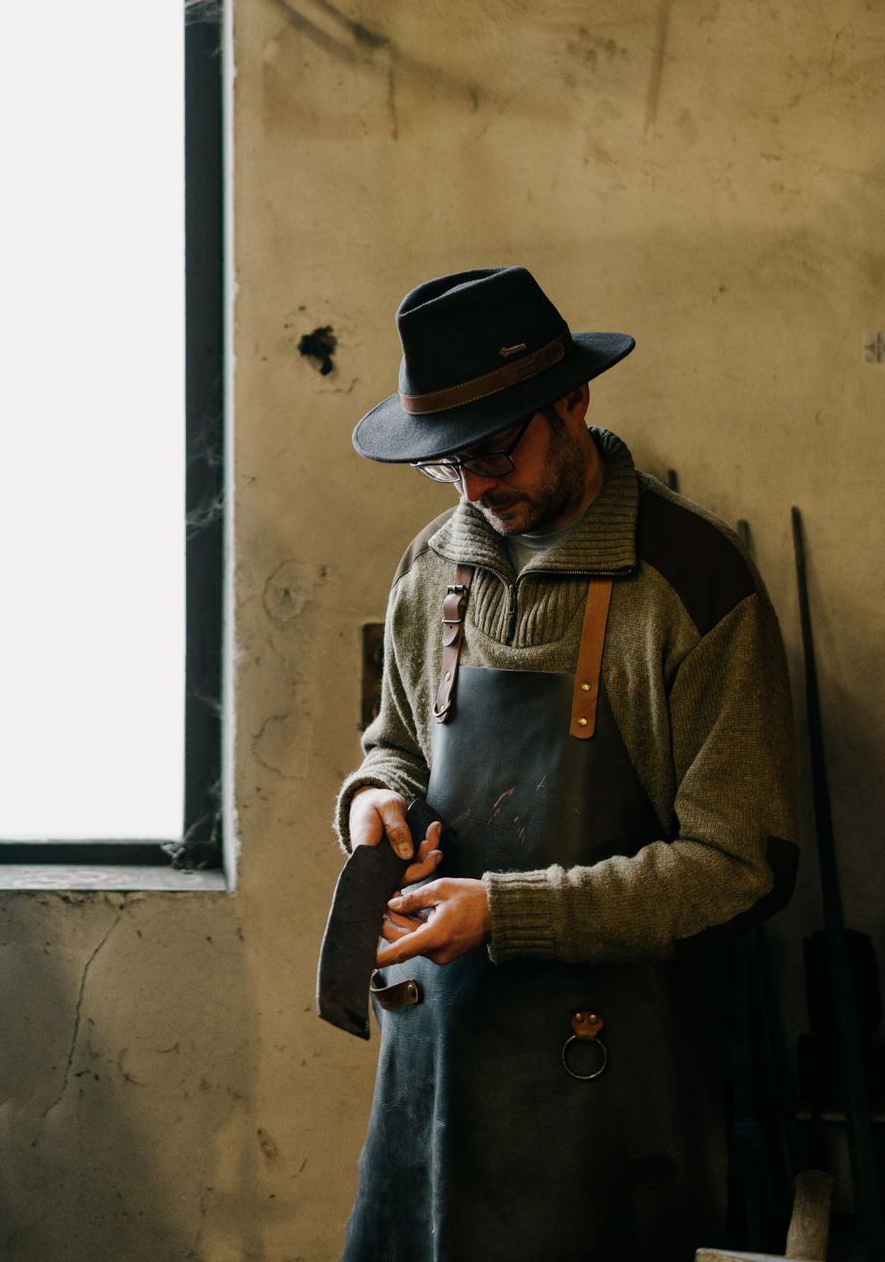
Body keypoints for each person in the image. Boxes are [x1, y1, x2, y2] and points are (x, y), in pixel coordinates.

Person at [335, 265, 798, 1262]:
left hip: (604, 1083)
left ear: (573, 399)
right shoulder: (432, 565)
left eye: (495, 448)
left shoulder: (690, 582)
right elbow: (396, 743)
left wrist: (504, 912)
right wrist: (375, 799)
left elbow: (737, 866)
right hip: (437, 1062)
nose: (473, 488)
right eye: (444, 464)